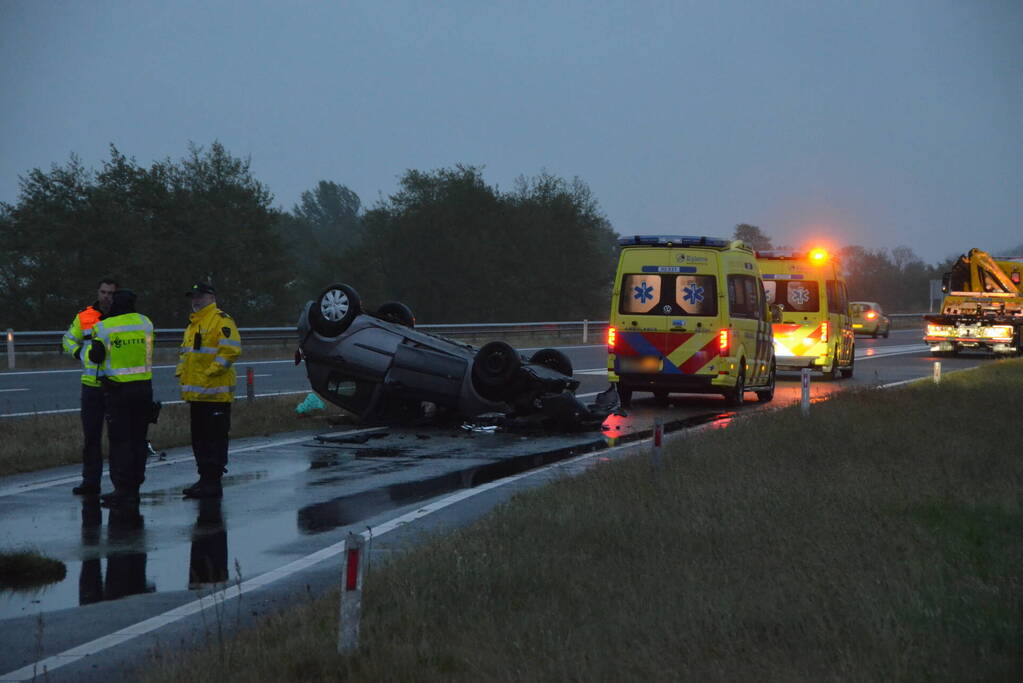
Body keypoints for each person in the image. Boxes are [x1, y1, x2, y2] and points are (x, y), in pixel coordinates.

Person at [88, 289, 155, 508]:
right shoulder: (145, 322)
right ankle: (135, 487)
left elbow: (95, 356)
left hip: (118, 391)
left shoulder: (104, 327)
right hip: (144, 389)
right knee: (138, 440)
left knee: (120, 442)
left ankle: (122, 488)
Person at [177, 282, 242, 499]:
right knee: (200, 439)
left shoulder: (221, 320)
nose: (195, 300)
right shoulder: (193, 324)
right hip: (197, 395)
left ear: (211, 298)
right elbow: (187, 354)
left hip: (215, 394)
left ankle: (213, 482)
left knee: (214, 439)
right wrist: (180, 371)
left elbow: (231, 350)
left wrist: (210, 373)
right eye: (193, 297)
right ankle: (204, 479)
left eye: (200, 296)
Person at [63, 278, 118, 495]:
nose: (106, 297)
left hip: (116, 385)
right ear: (98, 292)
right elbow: (68, 340)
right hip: (91, 385)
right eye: (103, 292)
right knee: (92, 438)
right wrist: (81, 353)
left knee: (117, 438)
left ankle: (118, 485)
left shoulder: (121, 318)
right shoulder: (85, 317)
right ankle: (90, 481)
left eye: (111, 293)